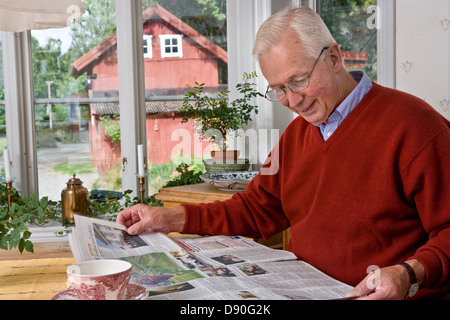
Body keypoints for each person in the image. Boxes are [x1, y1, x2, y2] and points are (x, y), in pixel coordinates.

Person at [117, 7, 450, 300]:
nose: (291, 100)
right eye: (278, 89)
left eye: (299, 80)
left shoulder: (415, 126)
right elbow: (256, 209)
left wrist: (408, 273)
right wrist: (170, 217)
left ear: (334, 58)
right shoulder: (297, 135)